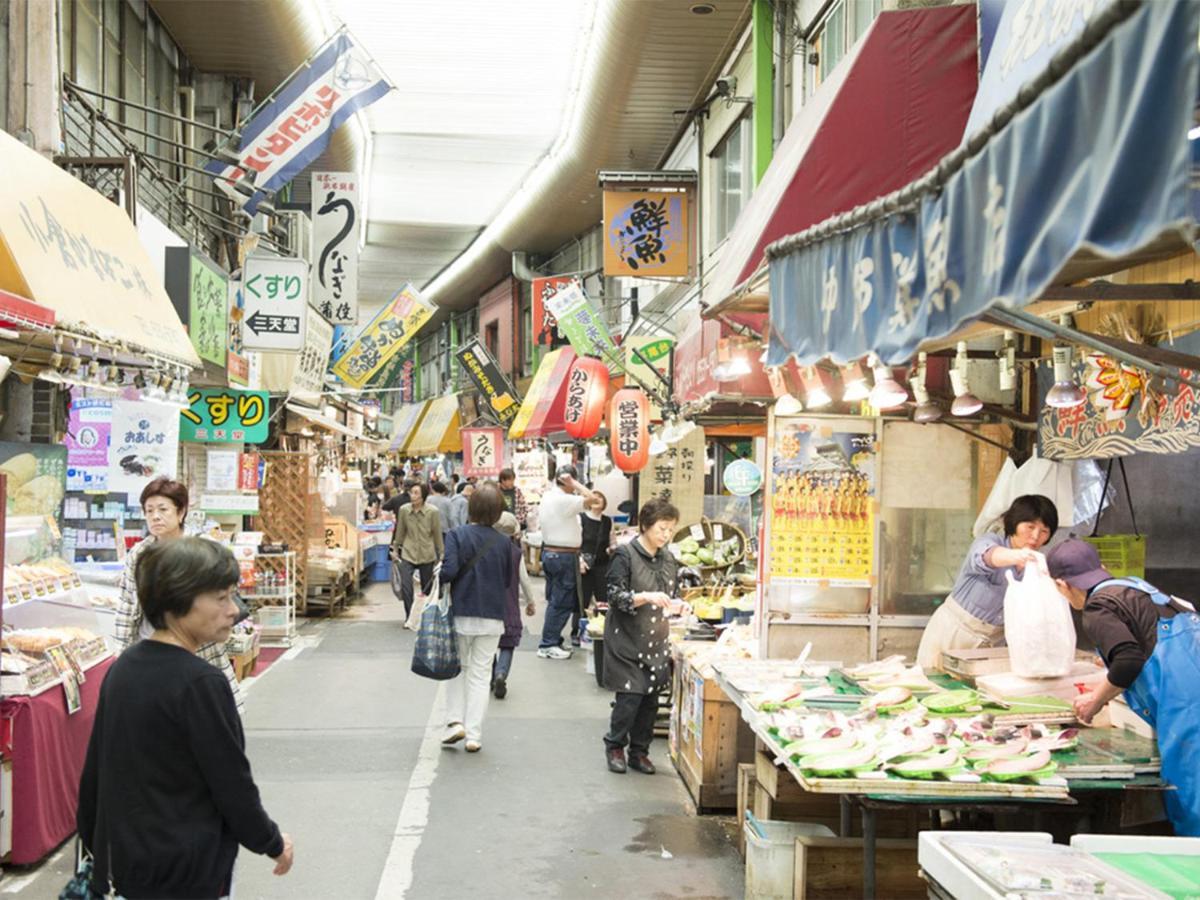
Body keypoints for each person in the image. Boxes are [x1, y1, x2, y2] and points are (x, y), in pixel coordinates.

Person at [77, 538, 293, 898]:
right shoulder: (201, 682)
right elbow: (231, 784)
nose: (233, 610)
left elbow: (95, 774)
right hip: (186, 871)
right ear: (179, 600)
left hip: (126, 869)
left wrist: (100, 852)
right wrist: (272, 842)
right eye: (221, 597)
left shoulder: (123, 668)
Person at [1048, 539, 1200, 836]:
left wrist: (1094, 702)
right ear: (1101, 568)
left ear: (1062, 585)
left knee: (1194, 804)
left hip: (1189, 710)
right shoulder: (1137, 587)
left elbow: (1128, 661)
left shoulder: (1097, 608)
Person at [115, 477, 243, 713]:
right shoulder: (140, 553)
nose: (155, 516)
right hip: (150, 650)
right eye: (149, 510)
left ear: (181, 511)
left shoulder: (203, 548)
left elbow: (228, 589)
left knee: (203, 713)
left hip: (199, 651)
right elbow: (126, 604)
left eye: (163, 509)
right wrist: (120, 655)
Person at [916, 494, 1058, 671]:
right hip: (954, 632)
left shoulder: (1036, 567)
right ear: (1013, 523)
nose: (1036, 536)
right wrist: (1017, 556)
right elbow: (988, 556)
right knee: (935, 688)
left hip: (994, 643)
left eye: (1044, 531)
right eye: (1030, 527)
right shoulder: (989, 541)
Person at [603, 498, 680, 775]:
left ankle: (640, 752)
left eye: (670, 530)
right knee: (630, 696)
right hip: (626, 637)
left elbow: (673, 594)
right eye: (662, 528)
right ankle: (614, 746)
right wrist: (644, 597)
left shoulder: (668, 558)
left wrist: (679, 605)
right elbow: (614, 596)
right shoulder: (625, 555)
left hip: (656, 638)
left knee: (650, 700)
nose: (666, 535)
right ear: (646, 525)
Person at [440, 484, 515, 752]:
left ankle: (454, 722)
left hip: (461, 612)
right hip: (492, 616)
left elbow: (448, 572)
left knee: (456, 670)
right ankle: (474, 735)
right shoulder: (505, 543)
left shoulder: (456, 535)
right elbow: (507, 580)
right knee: (481, 676)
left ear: (471, 508)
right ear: (497, 512)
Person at [537, 465, 599, 659]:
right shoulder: (563, 499)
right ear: (567, 481)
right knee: (561, 601)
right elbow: (595, 500)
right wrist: (576, 484)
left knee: (556, 599)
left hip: (552, 553)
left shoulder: (549, 496)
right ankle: (548, 644)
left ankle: (553, 640)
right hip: (562, 556)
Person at [491, 511, 536, 700]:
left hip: (488, 605)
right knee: (507, 645)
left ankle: (491, 676)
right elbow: (524, 580)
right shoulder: (515, 553)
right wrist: (530, 601)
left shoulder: (487, 550)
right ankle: (501, 673)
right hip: (509, 606)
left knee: (487, 644)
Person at [391, 482, 444, 616]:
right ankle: (409, 616)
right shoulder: (404, 510)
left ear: (423, 496)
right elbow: (400, 531)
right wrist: (395, 548)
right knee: (406, 586)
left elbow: (437, 533)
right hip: (408, 552)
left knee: (427, 587)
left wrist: (442, 553)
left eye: (416, 493)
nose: (412, 496)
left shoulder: (432, 512)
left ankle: (425, 615)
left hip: (427, 552)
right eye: (411, 492)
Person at [575, 490, 612, 648]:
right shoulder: (581, 518)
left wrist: (613, 548)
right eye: (594, 498)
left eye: (600, 498)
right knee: (582, 598)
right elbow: (576, 541)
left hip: (602, 564)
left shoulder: (607, 521)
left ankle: (603, 630)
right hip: (585, 565)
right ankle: (578, 631)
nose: (597, 500)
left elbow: (611, 539)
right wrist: (579, 560)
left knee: (603, 598)